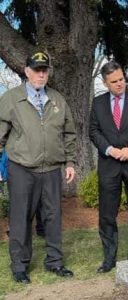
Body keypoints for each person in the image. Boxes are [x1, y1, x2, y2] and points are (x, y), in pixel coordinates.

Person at [0, 51, 76, 284]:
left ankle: (55, 262)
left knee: (53, 216)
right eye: (37, 70)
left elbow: (69, 133)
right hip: (22, 168)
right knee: (21, 216)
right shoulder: (12, 99)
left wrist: (70, 161)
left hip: (51, 169)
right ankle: (20, 266)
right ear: (27, 71)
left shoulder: (57, 99)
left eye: (44, 70)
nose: (41, 74)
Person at [89, 61, 128, 273]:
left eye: (121, 79)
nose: (119, 84)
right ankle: (109, 258)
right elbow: (94, 131)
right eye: (114, 81)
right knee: (107, 214)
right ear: (105, 82)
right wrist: (109, 149)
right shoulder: (98, 103)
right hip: (109, 165)